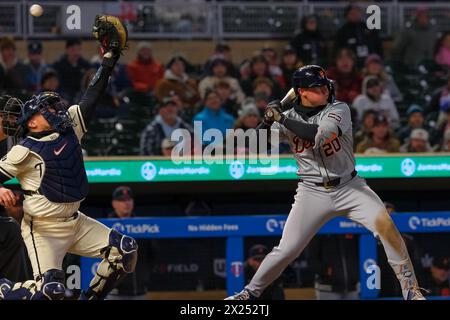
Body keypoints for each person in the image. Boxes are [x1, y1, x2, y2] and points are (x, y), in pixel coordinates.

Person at [225, 65, 425, 300]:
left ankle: (411, 291)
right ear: (301, 92)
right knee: (286, 250)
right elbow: (255, 143)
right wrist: (268, 120)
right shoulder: (288, 118)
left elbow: (318, 136)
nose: (324, 90)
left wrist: (280, 118)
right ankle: (249, 294)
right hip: (311, 191)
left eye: (324, 86)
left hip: (350, 187)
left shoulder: (339, 109)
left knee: (386, 227)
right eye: (316, 88)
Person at [0, 17, 138, 300]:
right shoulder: (22, 149)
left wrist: (109, 59)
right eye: (43, 110)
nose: (53, 110)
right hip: (43, 228)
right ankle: (7, 292)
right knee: (51, 292)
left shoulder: (69, 127)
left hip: (76, 222)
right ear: (33, 123)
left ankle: (91, 298)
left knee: (125, 250)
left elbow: (92, 96)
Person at [107, 186, 153, 300]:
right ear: (114, 203)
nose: (126, 203)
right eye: (122, 200)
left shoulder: (142, 227)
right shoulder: (105, 226)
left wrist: (144, 277)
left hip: (139, 291)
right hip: (113, 292)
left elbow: (152, 255)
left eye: (128, 200)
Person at [308, 232, 359, 300]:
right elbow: (311, 259)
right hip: (328, 288)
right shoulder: (321, 230)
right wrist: (326, 271)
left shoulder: (350, 227)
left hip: (352, 288)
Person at [52, 39, 91, 103]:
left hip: (81, 96)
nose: (76, 53)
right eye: (73, 50)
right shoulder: (58, 65)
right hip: (63, 95)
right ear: (67, 50)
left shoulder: (86, 65)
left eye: (79, 49)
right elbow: (55, 86)